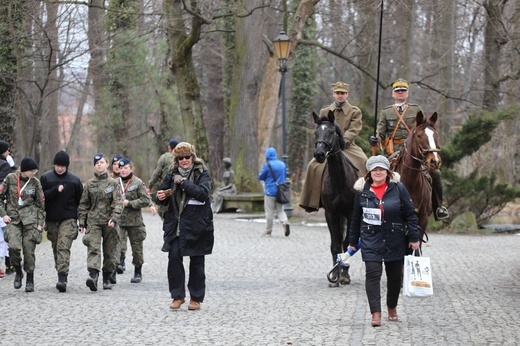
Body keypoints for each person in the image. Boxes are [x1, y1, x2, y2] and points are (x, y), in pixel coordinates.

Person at [348, 155, 420, 327]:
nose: (378, 172)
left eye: (381, 169)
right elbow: (355, 219)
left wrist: (414, 237)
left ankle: (392, 306)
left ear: (387, 171)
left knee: (395, 277)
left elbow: (410, 214)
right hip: (370, 238)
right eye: (375, 169)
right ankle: (376, 313)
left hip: (394, 237)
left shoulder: (398, 188)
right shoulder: (361, 192)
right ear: (369, 173)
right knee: (372, 274)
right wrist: (351, 242)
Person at [370, 78, 449, 220]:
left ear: (407, 93)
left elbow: (424, 129)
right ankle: (375, 206)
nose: (400, 93)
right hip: (394, 151)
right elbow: (381, 133)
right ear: (393, 94)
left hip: (415, 150)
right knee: (379, 173)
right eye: (397, 91)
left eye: (403, 90)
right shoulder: (386, 112)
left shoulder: (416, 109)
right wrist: (376, 138)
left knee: (435, 173)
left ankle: (439, 207)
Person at [154, 142, 214, 311]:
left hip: (197, 225)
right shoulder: (171, 172)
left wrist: (184, 183)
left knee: (196, 262)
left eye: (187, 157)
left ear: (192, 157)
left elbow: (203, 194)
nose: (184, 160)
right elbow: (160, 194)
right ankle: (177, 296)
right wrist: (160, 196)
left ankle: (196, 298)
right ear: (177, 159)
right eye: (181, 158)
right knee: (173, 258)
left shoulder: (202, 172)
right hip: (176, 225)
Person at [299, 81, 368, 212]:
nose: (340, 96)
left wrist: (342, 141)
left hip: (348, 146)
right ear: (333, 94)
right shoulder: (325, 110)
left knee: (364, 161)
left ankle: (366, 198)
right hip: (327, 147)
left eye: (342, 93)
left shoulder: (355, 111)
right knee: (312, 166)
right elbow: (321, 129)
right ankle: (312, 200)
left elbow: (354, 130)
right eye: (337, 93)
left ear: (347, 94)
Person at [78, 153, 123, 291]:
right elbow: (84, 204)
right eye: (96, 162)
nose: (99, 164)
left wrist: (114, 218)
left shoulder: (113, 183)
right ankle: (93, 276)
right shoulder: (89, 184)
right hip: (94, 222)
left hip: (109, 221)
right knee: (93, 248)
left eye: (102, 162)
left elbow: (118, 203)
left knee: (110, 251)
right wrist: (82, 222)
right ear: (94, 166)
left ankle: (107, 277)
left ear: (107, 164)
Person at [40, 151, 84, 292]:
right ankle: (60, 270)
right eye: (58, 165)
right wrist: (55, 190)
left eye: (63, 166)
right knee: (55, 247)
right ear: (54, 165)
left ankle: (62, 278)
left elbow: (81, 202)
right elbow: (40, 198)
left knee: (63, 247)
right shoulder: (46, 178)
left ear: (67, 166)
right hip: (52, 219)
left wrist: (82, 221)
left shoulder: (74, 180)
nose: (60, 169)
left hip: (69, 218)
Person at [0, 157, 45, 292]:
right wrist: (3, 214)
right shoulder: (10, 179)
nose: (34, 173)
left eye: (35, 171)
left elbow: (41, 205)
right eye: (32, 171)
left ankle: (30, 279)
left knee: (29, 251)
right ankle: (18, 272)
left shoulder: (36, 183)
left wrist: (40, 224)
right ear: (24, 170)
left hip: (30, 221)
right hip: (13, 220)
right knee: (13, 247)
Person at [117, 158, 156, 283]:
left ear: (130, 168)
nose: (123, 170)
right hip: (119, 220)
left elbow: (145, 199)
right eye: (121, 168)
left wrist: (130, 203)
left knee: (137, 248)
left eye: (125, 168)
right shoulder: (114, 183)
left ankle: (137, 272)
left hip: (134, 221)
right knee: (117, 246)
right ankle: (114, 269)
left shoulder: (137, 183)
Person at [258, 147, 290, 237]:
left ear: (267, 155)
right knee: (280, 210)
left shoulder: (267, 165)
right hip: (280, 192)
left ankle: (268, 231)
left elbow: (261, 177)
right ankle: (285, 222)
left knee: (269, 212)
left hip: (270, 192)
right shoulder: (282, 164)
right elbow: (284, 177)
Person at [149, 139, 178, 221]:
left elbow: (156, 174)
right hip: (178, 188)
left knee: (164, 211)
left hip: (166, 189)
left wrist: (150, 185)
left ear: (169, 147)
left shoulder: (164, 157)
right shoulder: (182, 158)